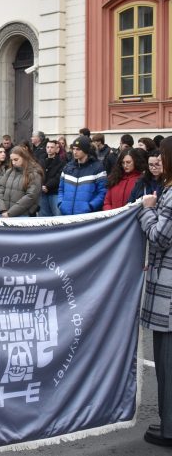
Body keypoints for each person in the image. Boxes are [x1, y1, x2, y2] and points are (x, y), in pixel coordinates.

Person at [138, 136, 172, 447]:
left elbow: (159, 238)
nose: (158, 160)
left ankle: (170, 428)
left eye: (163, 155)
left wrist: (147, 210)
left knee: (167, 362)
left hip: (169, 293)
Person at [58, 136, 108, 215]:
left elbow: (102, 192)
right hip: (66, 214)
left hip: (86, 216)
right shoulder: (68, 167)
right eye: (73, 149)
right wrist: (61, 204)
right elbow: (61, 189)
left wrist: (91, 206)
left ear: (86, 150)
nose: (74, 152)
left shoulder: (97, 167)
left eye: (78, 149)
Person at [0, 146, 43, 217]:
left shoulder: (34, 174)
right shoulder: (9, 172)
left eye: (16, 159)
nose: (13, 162)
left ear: (24, 158)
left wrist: (10, 213)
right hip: (6, 214)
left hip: (23, 216)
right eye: (11, 160)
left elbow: (31, 196)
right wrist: (3, 209)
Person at [39, 140, 66, 216]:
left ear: (56, 149)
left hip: (54, 192)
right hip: (42, 192)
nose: (49, 149)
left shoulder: (61, 162)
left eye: (52, 147)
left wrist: (47, 186)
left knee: (57, 215)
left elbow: (58, 177)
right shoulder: (41, 161)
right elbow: (38, 174)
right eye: (48, 147)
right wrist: (41, 185)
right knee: (43, 217)